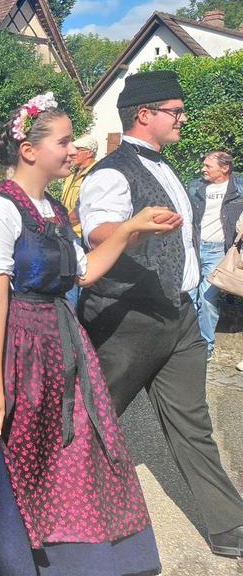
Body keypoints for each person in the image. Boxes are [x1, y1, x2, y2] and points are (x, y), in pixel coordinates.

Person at [0, 92, 176, 576]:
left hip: (56, 341)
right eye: (64, 141)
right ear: (30, 150)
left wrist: (130, 230)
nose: (73, 149)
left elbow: (83, 273)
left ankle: (49, 542)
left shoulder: (54, 209)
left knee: (52, 447)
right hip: (8, 341)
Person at [78, 70, 243, 558]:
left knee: (193, 424)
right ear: (145, 115)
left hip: (180, 313)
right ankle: (44, 507)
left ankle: (230, 529)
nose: (183, 117)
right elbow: (98, 233)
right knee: (89, 420)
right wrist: (132, 228)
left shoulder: (168, 168)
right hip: (127, 318)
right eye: (176, 110)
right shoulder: (110, 171)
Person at [187, 151, 243, 360]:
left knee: (208, 299)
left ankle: (206, 347)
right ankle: (187, 343)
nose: (203, 169)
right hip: (194, 247)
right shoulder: (196, 187)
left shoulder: (239, 187)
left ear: (225, 168)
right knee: (189, 297)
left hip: (218, 251)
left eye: (208, 166)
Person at [60, 134, 98, 306]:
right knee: (70, 281)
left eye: (77, 150)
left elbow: (81, 208)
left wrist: (62, 224)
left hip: (80, 235)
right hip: (69, 232)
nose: (72, 153)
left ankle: (74, 321)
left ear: (89, 153)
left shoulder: (95, 174)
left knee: (78, 280)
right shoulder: (72, 172)